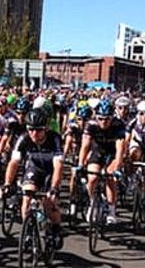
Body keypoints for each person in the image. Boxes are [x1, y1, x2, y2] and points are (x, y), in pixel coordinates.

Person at [10, 109, 65, 249]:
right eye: (31, 129)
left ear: (46, 128)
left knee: (49, 204)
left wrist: (54, 188)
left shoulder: (55, 139)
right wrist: (6, 184)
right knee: (26, 197)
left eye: (39, 130)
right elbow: (14, 163)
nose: (34, 133)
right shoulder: (23, 138)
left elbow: (58, 166)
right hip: (34, 169)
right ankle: (28, 231)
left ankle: (57, 228)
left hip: (50, 171)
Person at [77, 99, 126, 224]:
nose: (103, 122)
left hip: (112, 153)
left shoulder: (118, 124)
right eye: (101, 118)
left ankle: (111, 209)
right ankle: (92, 202)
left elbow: (120, 149)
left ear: (112, 118)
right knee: (92, 178)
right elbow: (85, 146)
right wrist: (81, 164)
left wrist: (118, 167)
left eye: (107, 119)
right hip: (98, 151)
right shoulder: (91, 125)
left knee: (110, 177)